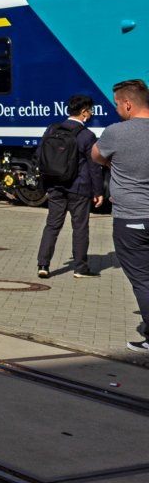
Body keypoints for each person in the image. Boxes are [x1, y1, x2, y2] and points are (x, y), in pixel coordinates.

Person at [92, 79, 149, 353]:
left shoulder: (116, 133)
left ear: (128, 103)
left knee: (142, 279)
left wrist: (115, 161)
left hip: (131, 219)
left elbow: (95, 156)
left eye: (116, 104)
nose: (116, 109)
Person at [35, 95, 104, 279]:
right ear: (83, 112)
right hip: (78, 188)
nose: (90, 114)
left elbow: (39, 155)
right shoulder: (87, 135)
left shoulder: (52, 129)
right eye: (90, 111)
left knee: (52, 225)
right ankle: (80, 268)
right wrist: (98, 191)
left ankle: (43, 264)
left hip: (55, 186)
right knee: (80, 227)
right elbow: (94, 167)